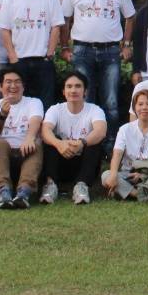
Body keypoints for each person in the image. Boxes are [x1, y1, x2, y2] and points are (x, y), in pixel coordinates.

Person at [60, 0, 135, 158]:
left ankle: (110, 144)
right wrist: (65, 46)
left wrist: (127, 44)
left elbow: (130, 16)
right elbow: (65, 19)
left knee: (111, 101)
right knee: (85, 99)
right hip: (82, 50)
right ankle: (88, 144)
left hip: (110, 52)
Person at [0, 0, 63, 110]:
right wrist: (13, 56)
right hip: (19, 60)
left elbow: (56, 27)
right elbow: (5, 29)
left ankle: (44, 133)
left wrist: (50, 53)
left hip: (43, 60)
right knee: (19, 103)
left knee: (46, 103)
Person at [40, 71, 108, 205]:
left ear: (85, 91)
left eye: (78, 86)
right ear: (63, 91)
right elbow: (45, 130)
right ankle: (50, 185)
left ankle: (81, 186)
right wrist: (59, 144)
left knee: (94, 142)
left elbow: (101, 131)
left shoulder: (95, 110)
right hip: (60, 162)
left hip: (84, 164)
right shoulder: (55, 109)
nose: (73, 90)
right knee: (51, 140)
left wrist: (82, 143)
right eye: (69, 86)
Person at [0, 64, 44, 209]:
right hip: (2, 156)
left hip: (25, 152)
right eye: (8, 82)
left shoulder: (34, 102)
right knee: (0, 143)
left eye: (17, 82)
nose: (13, 86)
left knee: (36, 143)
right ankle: (4, 191)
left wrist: (29, 138)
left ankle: (24, 192)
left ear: (23, 86)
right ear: (0, 86)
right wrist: (2, 115)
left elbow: (36, 120)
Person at [103, 88, 148, 201]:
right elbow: (117, 154)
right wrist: (113, 174)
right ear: (134, 108)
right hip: (127, 173)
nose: (144, 108)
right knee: (106, 176)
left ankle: (124, 192)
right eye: (140, 104)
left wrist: (142, 176)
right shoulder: (125, 129)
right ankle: (140, 194)